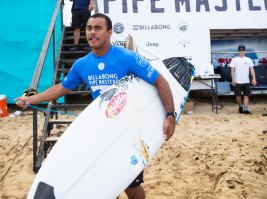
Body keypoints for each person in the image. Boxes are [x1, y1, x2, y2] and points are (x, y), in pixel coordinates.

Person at [16, 13, 177, 199]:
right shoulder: (82, 64)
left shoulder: (127, 57)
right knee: (105, 186)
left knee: (131, 187)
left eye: (98, 28)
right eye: (89, 28)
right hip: (102, 132)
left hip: (129, 132)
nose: (92, 32)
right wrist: (31, 99)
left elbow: (160, 81)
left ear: (109, 32)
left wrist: (170, 115)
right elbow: (61, 88)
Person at [230, 45, 257, 114]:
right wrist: (233, 79)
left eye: (242, 50)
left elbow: (252, 69)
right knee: (238, 95)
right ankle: (240, 106)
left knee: (246, 95)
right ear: (238, 51)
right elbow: (232, 70)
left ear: (245, 51)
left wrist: (254, 78)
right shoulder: (234, 59)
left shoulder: (248, 59)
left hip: (246, 81)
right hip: (237, 81)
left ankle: (246, 109)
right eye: (240, 50)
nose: (241, 51)